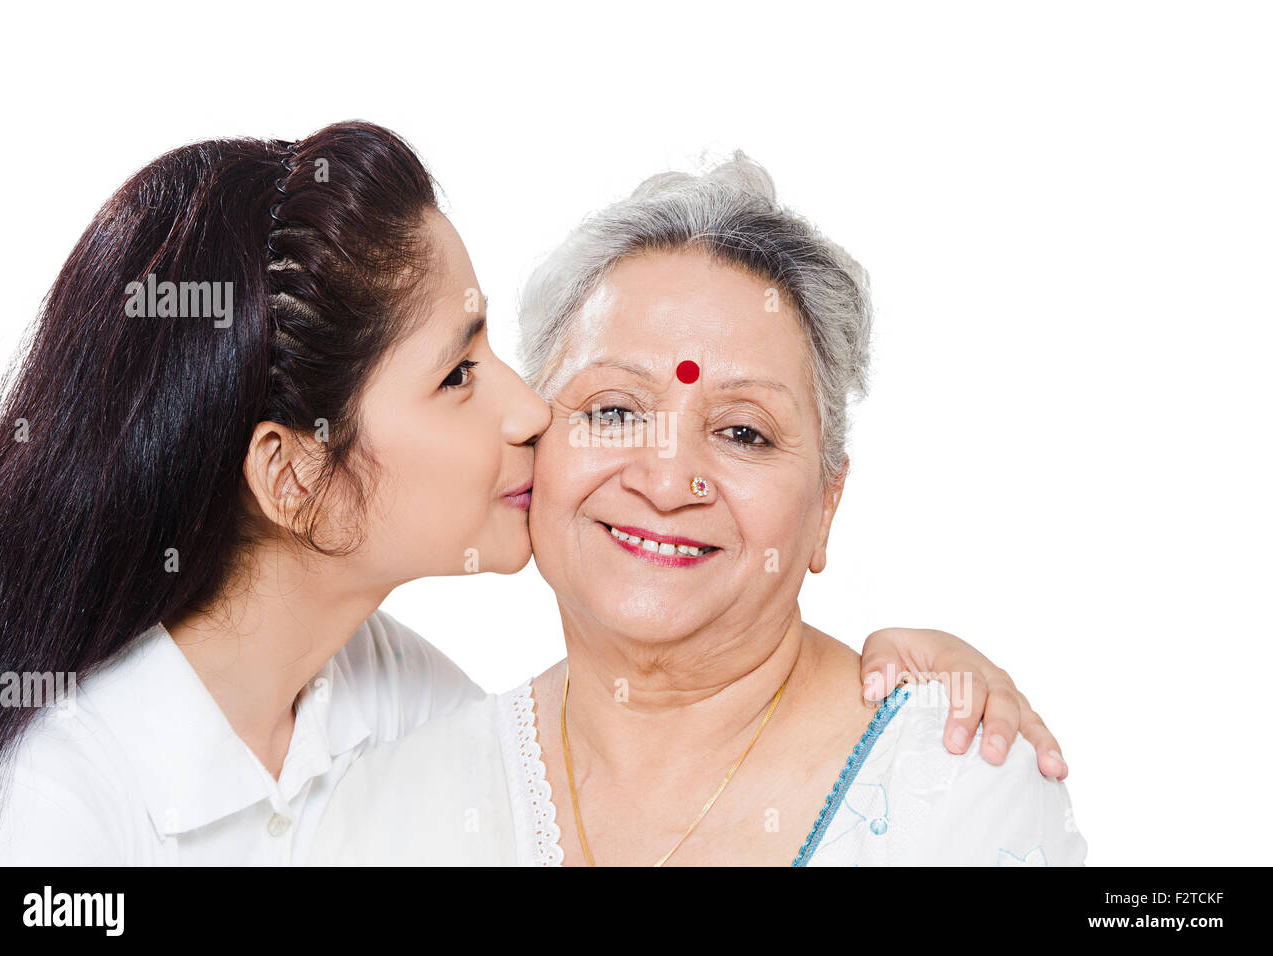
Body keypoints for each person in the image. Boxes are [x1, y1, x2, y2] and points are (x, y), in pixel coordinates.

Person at [0, 124, 1064, 865]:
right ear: (295, 475)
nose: (527, 409)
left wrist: (927, 680)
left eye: (740, 430)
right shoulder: (62, 800)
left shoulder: (392, 701)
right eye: (458, 373)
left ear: (828, 502)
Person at [310, 154, 1086, 866]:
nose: (668, 478)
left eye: (742, 431)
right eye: (614, 412)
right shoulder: (389, 809)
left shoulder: (961, 787)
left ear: (827, 505)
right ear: (533, 440)